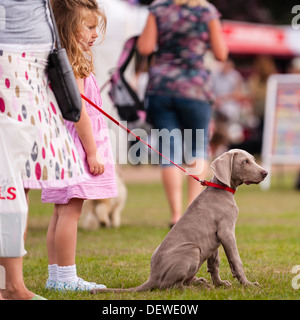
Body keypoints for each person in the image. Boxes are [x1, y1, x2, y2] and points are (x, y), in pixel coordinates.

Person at [0, 0, 85, 300]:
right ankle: (10, 287)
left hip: (34, 66)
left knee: (15, 188)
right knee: (9, 188)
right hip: (11, 63)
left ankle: (8, 285)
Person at [41, 0, 118, 292]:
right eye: (88, 27)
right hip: (77, 147)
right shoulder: (74, 66)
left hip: (61, 146)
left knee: (61, 212)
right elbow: (79, 113)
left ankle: (55, 277)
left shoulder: (62, 63)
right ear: (67, 27)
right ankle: (67, 277)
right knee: (70, 212)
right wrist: (92, 151)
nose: (94, 34)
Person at [137, 0, 228, 226]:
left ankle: (176, 215)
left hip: (162, 87)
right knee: (198, 148)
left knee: (169, 151)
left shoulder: (158, 8)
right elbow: (221, 54)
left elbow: (145, 48)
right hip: (195, 88)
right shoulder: (206, 10)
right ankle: (191, 211)